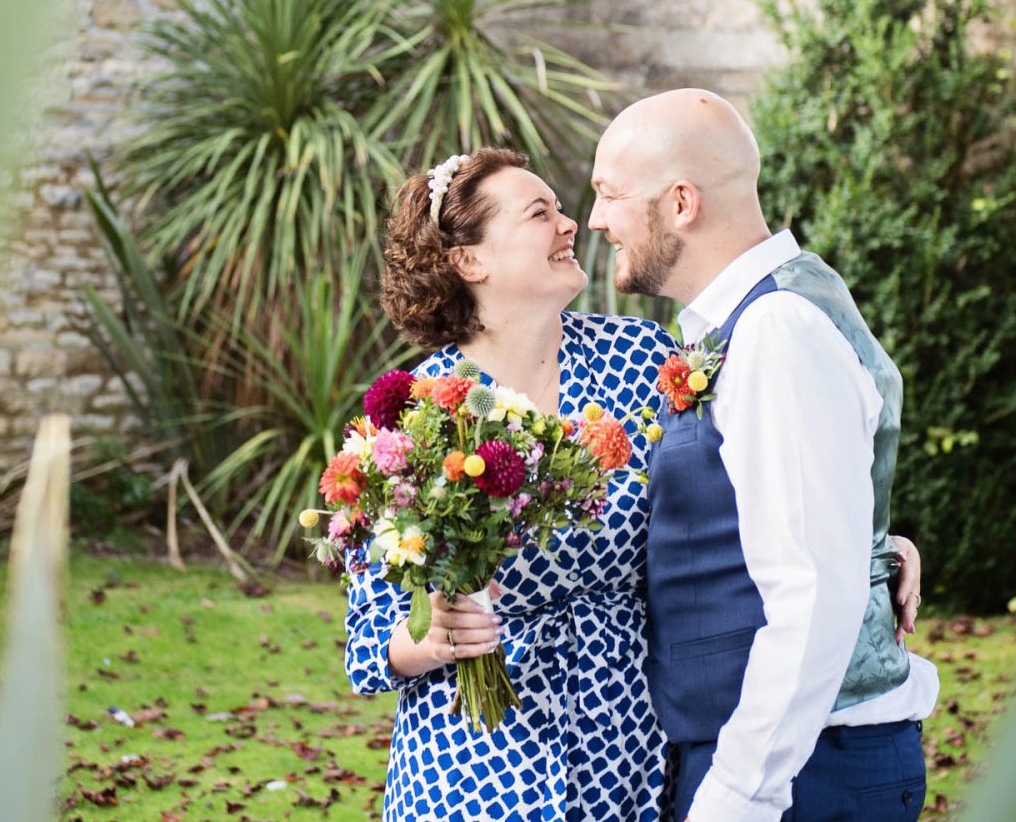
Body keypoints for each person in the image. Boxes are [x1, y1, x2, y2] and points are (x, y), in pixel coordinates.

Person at [342, 146, 925, 822]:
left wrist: (867, 540)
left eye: (562, 207)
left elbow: (758, 479)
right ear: (471, 260)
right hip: (473, 758)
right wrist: (434, 637)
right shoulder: (415, 408)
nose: (572, 225)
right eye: (541, 213)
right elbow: (369, 635)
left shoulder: (646, 357)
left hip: (630, 747)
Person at [589, 90, 940, 822]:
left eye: (610, 194)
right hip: (785, 760)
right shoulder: (751, 319)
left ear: (681, 201)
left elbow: (812, 591)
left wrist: (738, 794)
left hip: (800, 771)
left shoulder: (776, 328)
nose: (596, 219)